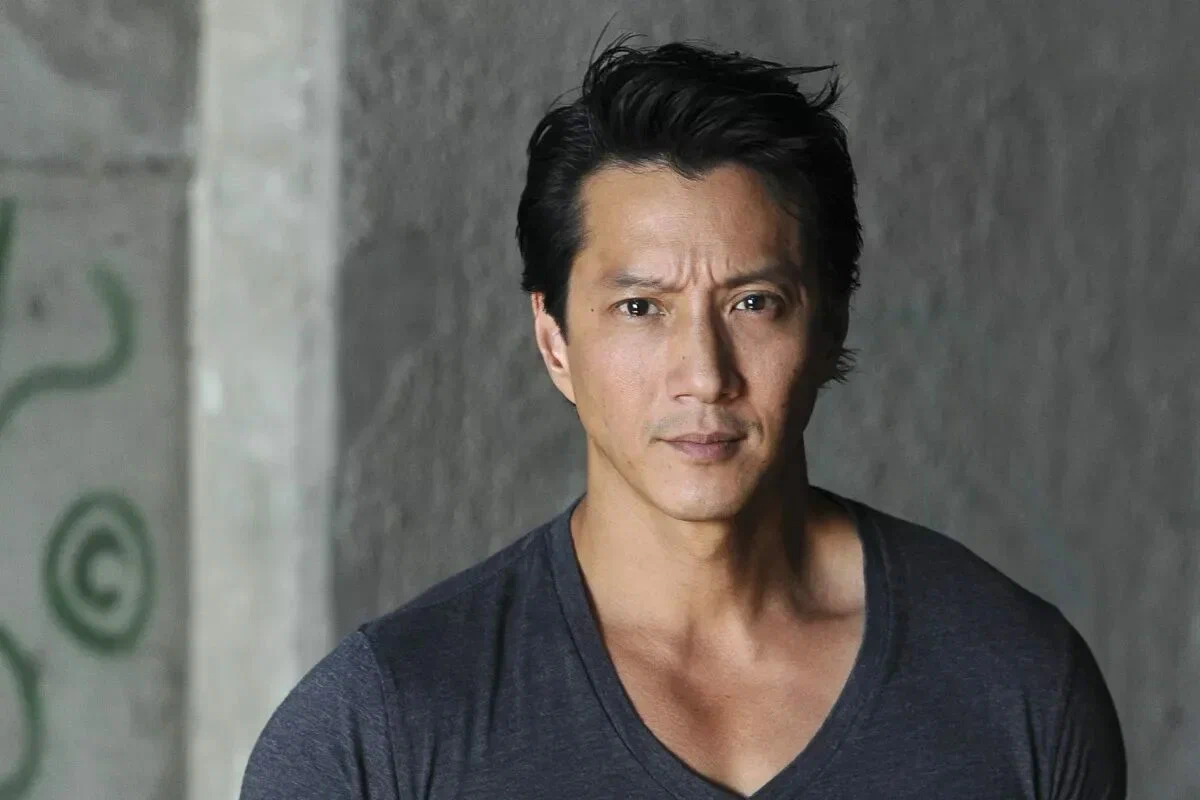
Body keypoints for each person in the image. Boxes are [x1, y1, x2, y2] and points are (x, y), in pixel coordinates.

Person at [240, 37, 1126, 799]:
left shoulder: (1015, 682)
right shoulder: (380, 728)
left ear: (829, 324)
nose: (704, 375)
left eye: (753, 303)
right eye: (641, 309)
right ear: (554, 341)